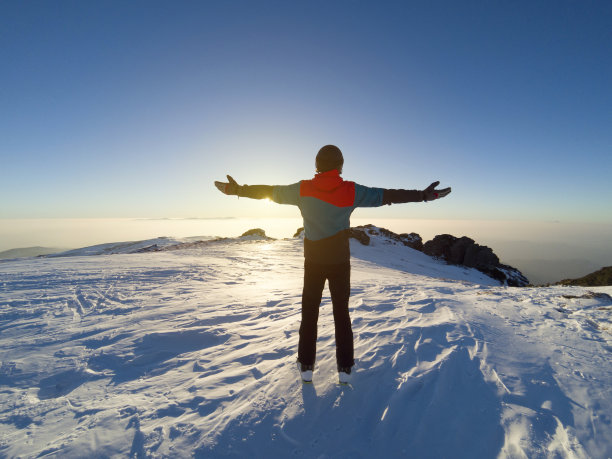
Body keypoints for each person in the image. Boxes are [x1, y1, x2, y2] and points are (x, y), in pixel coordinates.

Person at [214, 145, 451, 384]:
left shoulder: (303, 189)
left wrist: (237, 190)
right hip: (339, 261)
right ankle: (345, 369)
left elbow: (270, 192)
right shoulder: (351, 190)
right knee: (341, 313)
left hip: (314, 261)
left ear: (317, 165)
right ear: (340, 166)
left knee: (309, 311)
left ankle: (306, 366)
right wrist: (424, 195)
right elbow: (388, 195)